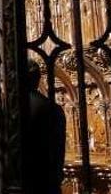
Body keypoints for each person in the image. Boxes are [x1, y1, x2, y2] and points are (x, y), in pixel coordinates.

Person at [23, 59, 66, 194]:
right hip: (46, 181)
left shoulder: (9, 107)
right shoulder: (53, 108)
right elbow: (59, 148)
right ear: (37, 79)